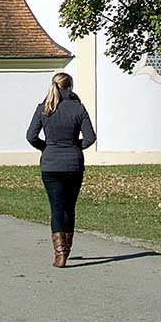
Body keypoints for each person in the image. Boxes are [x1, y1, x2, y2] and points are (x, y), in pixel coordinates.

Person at [26, 72, 96, 267]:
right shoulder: (78, 109)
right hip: (73, 163)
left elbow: (31, 136)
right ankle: (67, 248)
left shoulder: (44, 108)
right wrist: (74, 146)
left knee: (56, 207)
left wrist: (47, 148)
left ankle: (59, 254)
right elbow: (90, 138)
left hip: (51, 165)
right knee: (69, 207)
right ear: (70, 87)